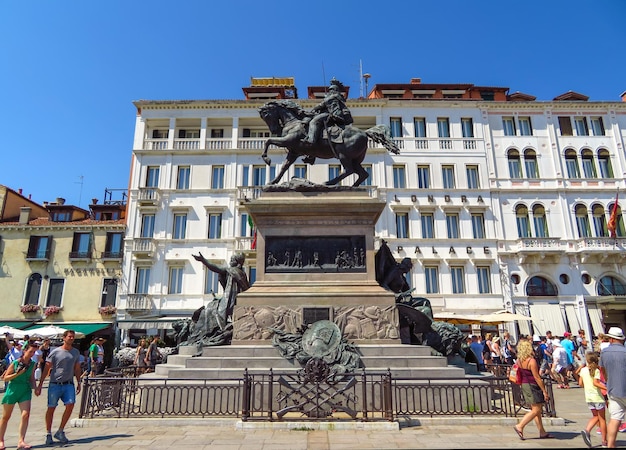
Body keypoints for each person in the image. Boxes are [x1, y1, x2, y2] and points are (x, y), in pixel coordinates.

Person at [34, 330, 82, 446]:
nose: (71, 339)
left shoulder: (75, 352)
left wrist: (79, 381)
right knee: (51, 408)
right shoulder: (55, 352)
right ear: (64, 338)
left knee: (70, 405)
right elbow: (47, 368)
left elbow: (76, 368)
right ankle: (48, 433)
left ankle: (60, 430)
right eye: (69, 337)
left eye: (73, 337)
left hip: (68, 383)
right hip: (55, 384)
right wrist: (40, 384)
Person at [192, 252, 250, 330]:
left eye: (232, 260)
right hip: (238, 301)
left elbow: (216, 268)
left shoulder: (232, 270)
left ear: (237, 262)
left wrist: (204, 261)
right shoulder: (242, 273)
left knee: (210, 310)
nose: (230, 262)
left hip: (230, 301)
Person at [0, 341, 39, 450]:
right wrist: (17, 374)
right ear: (24, 350)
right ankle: (1, 440)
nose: (32, 354)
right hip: (13, 389)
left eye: (34, 352)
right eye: (30, 351)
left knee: (25, 415)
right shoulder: (16, 363)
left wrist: (36, 388)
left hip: (25, 390)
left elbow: (31, 377)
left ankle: (21, 441)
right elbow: (5, 378)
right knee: (6, 417)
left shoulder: (32, 364)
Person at [513, 339, 553, 440]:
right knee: (536, 409)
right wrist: (544, 391)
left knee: (536, 410)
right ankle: (520, 426)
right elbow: (537, 377)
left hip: (525, 385)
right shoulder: (531, 361)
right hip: (532, 386)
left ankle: (542, 432)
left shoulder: (519, 360)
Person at [302, 79, 353, 146]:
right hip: (337, 116)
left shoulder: (331, 97)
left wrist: (312, 110)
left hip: (333, 115)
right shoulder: (338, 97)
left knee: (314, 121)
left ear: (334, 90)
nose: (329, 91)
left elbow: (320, 105)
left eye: (331, 90)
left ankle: (311, 140)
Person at [599, 327, 626, 448]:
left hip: (613, 389)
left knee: (615, 418)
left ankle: (610, 445)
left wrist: (608, 381)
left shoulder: (604, 353)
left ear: (611, 339)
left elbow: (603, 371)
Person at [578, 351, 607, 447]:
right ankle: (604, 440)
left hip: (588, 397)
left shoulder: (583, 370)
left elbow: (580, 384)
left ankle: (587, 430)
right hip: (597, 397)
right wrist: (607, 388)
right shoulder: (597, 370)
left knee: (595, 416)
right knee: (602, 419)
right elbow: (596, 383)